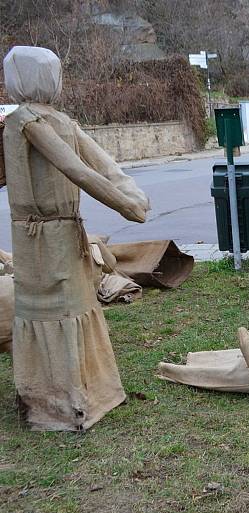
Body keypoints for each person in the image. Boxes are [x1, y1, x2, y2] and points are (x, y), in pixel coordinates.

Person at [3, 46, 150, 431]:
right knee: (56, 311)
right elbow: (78, 168)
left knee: (73, 308)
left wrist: (132, 196)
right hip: (40, 239)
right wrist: (126, 202)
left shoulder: (48, 120)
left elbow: (100, 165)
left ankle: (85, 394)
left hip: (59, 233)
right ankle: (60, 402)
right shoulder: (24, 121)